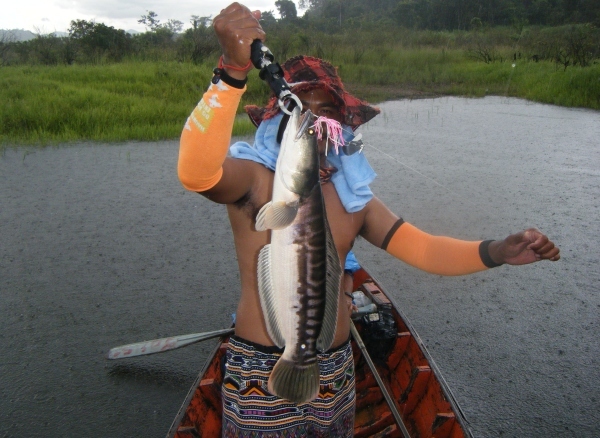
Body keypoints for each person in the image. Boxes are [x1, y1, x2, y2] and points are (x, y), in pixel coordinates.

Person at [177, 3, 560, 436]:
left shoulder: (352, 197)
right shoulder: (252, 181)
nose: (316, 121)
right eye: (303, 108)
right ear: (278, 118)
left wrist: (497, 251)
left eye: (329, 113)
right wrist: (230, 73)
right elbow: (196, 174)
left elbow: (425, 248)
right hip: (261, 376)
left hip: (337, 375)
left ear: (343, 128)